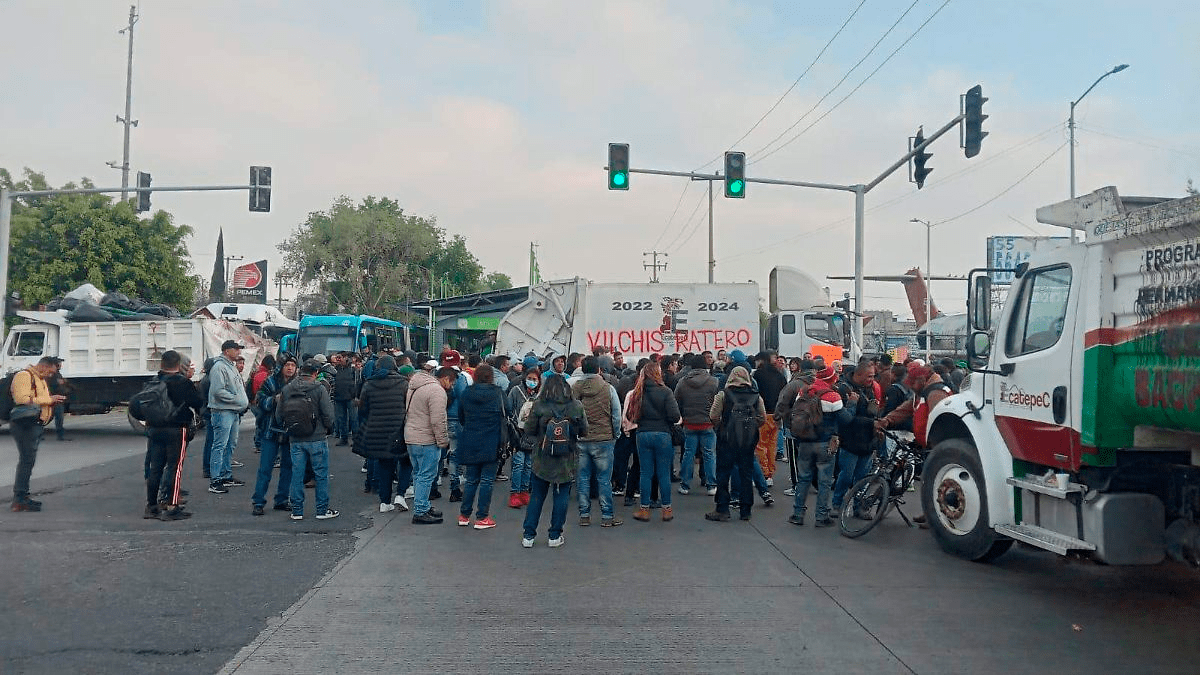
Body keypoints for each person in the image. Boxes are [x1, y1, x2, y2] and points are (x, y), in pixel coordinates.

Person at [521, 373, 587, 548]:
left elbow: (528, 429)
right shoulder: (576, 406)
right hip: (566, 458)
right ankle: (554, 535)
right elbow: (584, 431)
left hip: (542, 458)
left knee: (537, 496)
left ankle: (528, 536)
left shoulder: (539, 405)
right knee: (561, 497)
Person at [780, 365, 849, 527]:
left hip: (804, 441)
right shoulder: (833, 396)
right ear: (832, 379)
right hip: (824, 443)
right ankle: (821, 516)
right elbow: (845, 419)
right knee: (824, 481)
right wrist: (852, 405)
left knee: (803, 479)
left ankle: (797, 514)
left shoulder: (804, 391)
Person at [144, 350, 205, 521]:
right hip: (176, 428)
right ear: (178, 365)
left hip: (155, 428)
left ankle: (151, 506)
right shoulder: (182, 382)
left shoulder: (153, 381)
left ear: (161, 364)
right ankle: (172, 506)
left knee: (155, 467)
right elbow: (197, 402)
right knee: (174, 467)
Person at [278, 360, 339, 521]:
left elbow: (279, 415)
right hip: (317, 437)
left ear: (300, 372)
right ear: (315, 373)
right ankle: (321, 510)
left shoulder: (287, 389)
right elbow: (328, 414)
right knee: (321, 474)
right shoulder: (319, 389)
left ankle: (297, 511)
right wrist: (327, 428)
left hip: (295, 438)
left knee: (297, 474)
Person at [705, 365, 765, 522]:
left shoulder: (723, 395)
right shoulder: (756, 396)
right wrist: (750, 428)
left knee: (723, 473)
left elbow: (713, 415)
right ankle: (746, 510)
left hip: (727, 440)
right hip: (748, 440)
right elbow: (762, 418)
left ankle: (722, 508)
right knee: (746, 473)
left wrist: (721, 427)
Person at [9, 357, 67, 511]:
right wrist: (49, 400)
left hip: (35, 424)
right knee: (27, 460)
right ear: (43, 366)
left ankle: (22, 497)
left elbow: (38, 399)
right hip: (25, 424)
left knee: (28, 461)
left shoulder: (39, 379)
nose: (50, 375)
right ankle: (20, 498)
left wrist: (51, 401)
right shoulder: (24, 375)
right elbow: (22, 399)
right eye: (50, 371)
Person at [571, 356, 623, 528]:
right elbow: (616, 414)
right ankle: (607, 516)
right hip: (604, 438)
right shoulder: (608, 388)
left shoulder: (574, 388)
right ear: (599, 369)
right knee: (603, 479)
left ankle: (584, 515)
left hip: (581, 438)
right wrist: (615, 433)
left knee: (583, 478)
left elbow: (569, 413)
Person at [356, 354, 411, 514]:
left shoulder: (369, 384)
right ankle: (400, 494)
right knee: (406, 462)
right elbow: (408, 407)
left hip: (376, 431)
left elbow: (363, 409)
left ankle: (384, 502)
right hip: (399, 430)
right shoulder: (403, 383)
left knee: (385, 466)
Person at [627, 361, 681, 523]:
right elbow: (675, 416)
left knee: (645, 473)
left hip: (643, 434)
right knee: (663, 473)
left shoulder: (638, 393)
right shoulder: (666, 392)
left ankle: (644, 509)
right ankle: (667, 510)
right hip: (663, 434)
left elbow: (630, 416)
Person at [456, 363, 507, 529]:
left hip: (470, 440)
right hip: (492, 441)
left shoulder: (467, 393)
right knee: (487, 480)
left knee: (471, 480)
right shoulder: (498, 393)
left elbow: (461, 417)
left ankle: (464, 515)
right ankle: (482, 517)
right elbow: (508, 412)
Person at [831, 358, 882, 516]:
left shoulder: (869, 389)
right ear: (858, 374)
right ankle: (837, 504)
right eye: (869, 376)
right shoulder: (844, 389)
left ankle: (857, 507)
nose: (872, 380)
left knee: (862, 478)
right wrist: (870, 422)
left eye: (873, 376)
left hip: (867, 441)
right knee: (846, 476)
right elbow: (846, 419)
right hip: (850, 440)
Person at [405, 366, 455, 524]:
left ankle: (423, 505)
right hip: (426, 439)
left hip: (411, 436)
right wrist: (443, 441)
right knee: (426, 475)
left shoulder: (415, 386)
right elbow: (438, 420)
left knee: (418, 473)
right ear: (445, 378)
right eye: (451, 382)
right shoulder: (437, 391)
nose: (451, 386)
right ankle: (420, 510)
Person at [251, 355, 298, 516]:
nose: (290, 368)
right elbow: (259, 401)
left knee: (288, 467)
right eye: (287, 365)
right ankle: (258, 501)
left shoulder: (297, 384)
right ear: (281, 367)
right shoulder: (270, 382)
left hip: (290, 432)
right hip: (270, 431)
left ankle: (282, 500)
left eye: (293, 365)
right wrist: (274, 400)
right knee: (265, 468)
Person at [207, 340, 249, 495]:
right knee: (219, 445)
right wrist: (237, 399)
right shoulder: (219, 367)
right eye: (236, 349)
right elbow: (218, 391)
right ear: (227, 351)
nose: (239, 352)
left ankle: (226, 474)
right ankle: (215, 479)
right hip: (222, 411)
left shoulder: (230, 366)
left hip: (233, 412)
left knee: (230, 444)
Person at [674, 354, 719, 497]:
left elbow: (676, 401)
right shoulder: (714, 382)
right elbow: (718, 403)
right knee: (709, 454)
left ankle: (685, 484)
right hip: (707, 423)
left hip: (689, 423)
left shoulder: (682, 382)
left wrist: (682, 417)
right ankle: (711, 485)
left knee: (688, 454)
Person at [507, 364, 540, 508]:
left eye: (535, 379)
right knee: (518, 464)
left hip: (533, 434)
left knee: (528, 465)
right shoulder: (516, 391)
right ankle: (515, 493)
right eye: (529, 378)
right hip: (518, 433)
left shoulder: (539, 396)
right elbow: (509, 409)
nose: (532, 381)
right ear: (524, 378)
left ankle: (524, 492)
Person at [332, 352, 358, 446]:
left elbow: (357, 382)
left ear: (345, 358)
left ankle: (356, 439)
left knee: (354, 419)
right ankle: (343, 438)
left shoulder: (353, 369)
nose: (338, 360)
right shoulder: (336, 369)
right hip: (339, 397)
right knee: (341, 419)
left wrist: (355, 395)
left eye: (339, 358)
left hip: (351, 397)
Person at [47, 360, 70, 441]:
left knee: (57, 417)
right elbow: (54, 385)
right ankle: (60, 436)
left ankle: (60, 435)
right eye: (60, 363)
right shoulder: (54, 375)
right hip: (56, 398)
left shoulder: (57, 374)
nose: (61, 365)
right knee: (58, 417)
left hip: (57, 398)